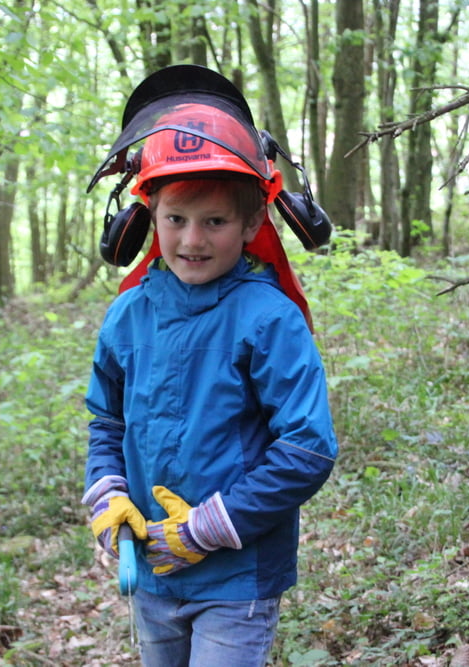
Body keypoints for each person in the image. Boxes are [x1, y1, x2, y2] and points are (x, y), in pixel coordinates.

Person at [82, 65, 338, 667]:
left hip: (236, 578)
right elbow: (106, 424)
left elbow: (308, 448)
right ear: (146, 217)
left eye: (215, 221)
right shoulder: (129, 315)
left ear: (252, 223)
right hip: (152, 573)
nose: (192, 239)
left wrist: (205, 530)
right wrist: (109, 496)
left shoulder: (268, 318)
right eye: (175, 218)